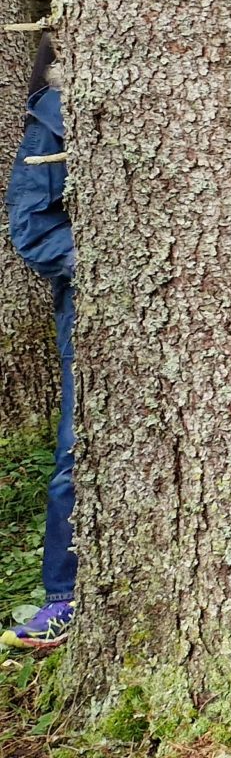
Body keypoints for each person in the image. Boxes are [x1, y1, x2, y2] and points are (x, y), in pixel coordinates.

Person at [3, 40, 73, 650]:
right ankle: (64, 595)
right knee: (82, 447)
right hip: (97, 310)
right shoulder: (54, 114)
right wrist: (105, 263)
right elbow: (32, 230)